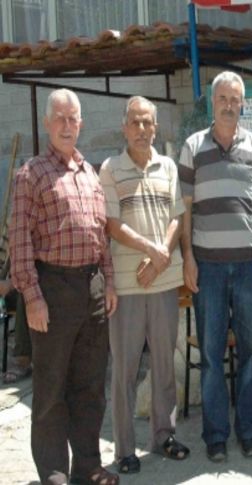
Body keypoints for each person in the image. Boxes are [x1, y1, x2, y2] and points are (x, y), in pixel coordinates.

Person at [9, 89, 118, 485]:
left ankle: (87, 466)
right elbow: (19, 242)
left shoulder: (90, 172)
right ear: (47, 124)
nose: (68, 126)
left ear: (81, 124)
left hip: (91, 287)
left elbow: (100, 234)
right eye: (61, 119)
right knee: (51, 388)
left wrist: (108, 283)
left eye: (74, 119)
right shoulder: (31, 174)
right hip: (51, 290)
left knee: (90, 386)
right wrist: (32, 297)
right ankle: (53, 471)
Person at [179, 71, 252, 462]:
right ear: (211, 102)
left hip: (250, 265)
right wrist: (187, 256)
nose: (227, 104)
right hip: (209, 267)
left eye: (234, 98)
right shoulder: (192, 147)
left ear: (243, 103)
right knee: (211, 352)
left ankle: (249, 431)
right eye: (221, 97)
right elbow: (184, 208)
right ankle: (216, 435)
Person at [99, 96, 189, 474]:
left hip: (165, 281)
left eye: (147, 123)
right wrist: (152, 250)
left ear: (156, 127)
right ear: (124, 127)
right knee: (125, 369)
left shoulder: (168, 166)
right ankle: (124, 449)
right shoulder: (110, 170)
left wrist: (160, 255)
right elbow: (112, 225)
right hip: (128, 286)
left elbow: (176, 217)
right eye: (135, 122)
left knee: (166, 364)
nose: (141, 129)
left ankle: (163, 435)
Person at [0, 258, 31, 384]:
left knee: (25, 296)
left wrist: (11, 283)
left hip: (33, 289)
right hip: (13, 287)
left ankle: (23, 359)